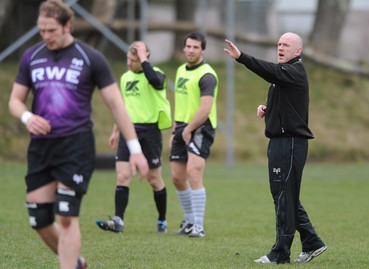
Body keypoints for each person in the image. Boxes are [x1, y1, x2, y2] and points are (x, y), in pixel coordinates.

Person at [8, 1, 148, 268]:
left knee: (67, 216)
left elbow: (117, 105)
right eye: (41, 30)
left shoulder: (90, 58)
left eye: (51, 30)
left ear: (67, 26)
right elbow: (15, 101)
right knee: (39, 219)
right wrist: (28, 117)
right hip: (41, 147)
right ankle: (76, 262)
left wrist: (136, 150)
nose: (46, 36)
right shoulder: (32, 57)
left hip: (76, 145)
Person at [224, 33, 327, 264]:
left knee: (284, 197)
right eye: (279, 44)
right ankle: (311, 241)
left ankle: (280, 253)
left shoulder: (294, 71)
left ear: (297, 51)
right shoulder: (286, 74)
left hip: (290, 144)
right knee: (284, 196)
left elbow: (269, 71)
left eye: (286, 45)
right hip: (280, 143)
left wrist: (241, 57)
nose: (280, 47)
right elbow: (288, 104)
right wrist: (268, 109)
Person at [96, 41, 171, 233]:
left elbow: (155, 81)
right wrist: (115, 130)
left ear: (144, 60)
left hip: (151, 133)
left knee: (154, 179)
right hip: (128, 132)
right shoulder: (125, 78)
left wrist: (144, 59)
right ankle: (118, 220)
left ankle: (162, 219)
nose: (129, 63)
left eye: (134, 60)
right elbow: (122, 107)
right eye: (128, 59)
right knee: (122, 176)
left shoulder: (156, 74)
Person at [170, 32, 218, 238]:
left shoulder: (207, 75)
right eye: (188, 46)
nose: (191, 50)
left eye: (195, 47)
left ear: (203, 50)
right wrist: (176, 131)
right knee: (177, 178)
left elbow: (205, 109)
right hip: (182, 127)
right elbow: (180, 104)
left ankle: (199, 226)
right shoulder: (181, 70)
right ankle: (189, 221)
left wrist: (188, 130)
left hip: (201, 127)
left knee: (194, 173)